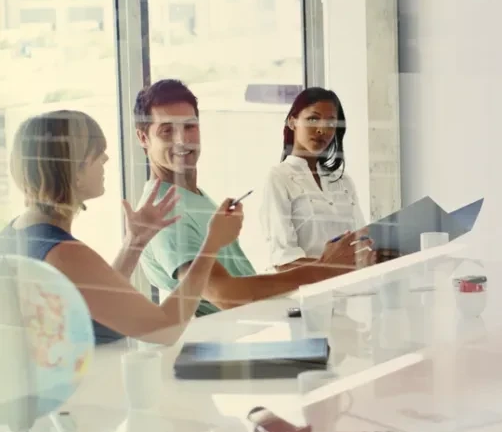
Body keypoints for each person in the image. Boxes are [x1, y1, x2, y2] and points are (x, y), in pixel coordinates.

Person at [133, 79, 376, 317]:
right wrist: (325, 269)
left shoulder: (190, 196)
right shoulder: (162, 212)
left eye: (189, 126)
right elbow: (226, 294)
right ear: (143, 138)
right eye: (166, 130)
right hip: (227, 343)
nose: (182, 140)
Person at [0, 111, 244, 345]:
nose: (106, 159)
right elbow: (164, 329)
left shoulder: (17, 233)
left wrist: (135, 242)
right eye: (97, 153)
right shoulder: (63, 253)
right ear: (73, 169)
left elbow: (98, 300)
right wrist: (212, 243)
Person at [259, 87, 366, 271]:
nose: (321, 129)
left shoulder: (343, 181)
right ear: (292, 122)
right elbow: (284, 260)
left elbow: (362, 244)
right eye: (313, 119)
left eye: (331, 123)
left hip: (349, 290)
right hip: (304, 294)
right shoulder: (279, 178)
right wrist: (333, 265)